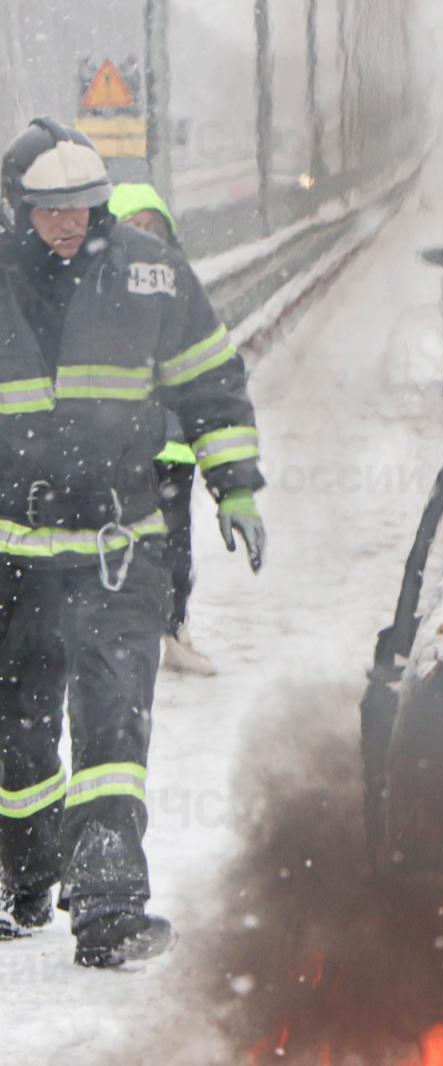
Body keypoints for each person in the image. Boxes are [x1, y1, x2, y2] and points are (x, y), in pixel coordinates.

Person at [0, 119, 265, 967]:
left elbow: (210, 379)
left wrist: (237, 484)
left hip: (119, 544)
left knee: (113, 721)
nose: (68, 222)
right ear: (19, 208)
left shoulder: (150, 276)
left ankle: (109, 905)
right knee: (19, 729)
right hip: (12, 549)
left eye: (81, 205)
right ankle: (25, 875)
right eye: (49, 209)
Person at [108, 183, 214, 675]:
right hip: (120, 446)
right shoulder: (97, 294)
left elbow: (202, 366)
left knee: (174, 543)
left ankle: (174, 628)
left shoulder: (181, 287)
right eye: (133, 227)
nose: (144, 237)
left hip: (172, 445)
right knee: (119, 543)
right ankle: (123, 635)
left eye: (152, 226)